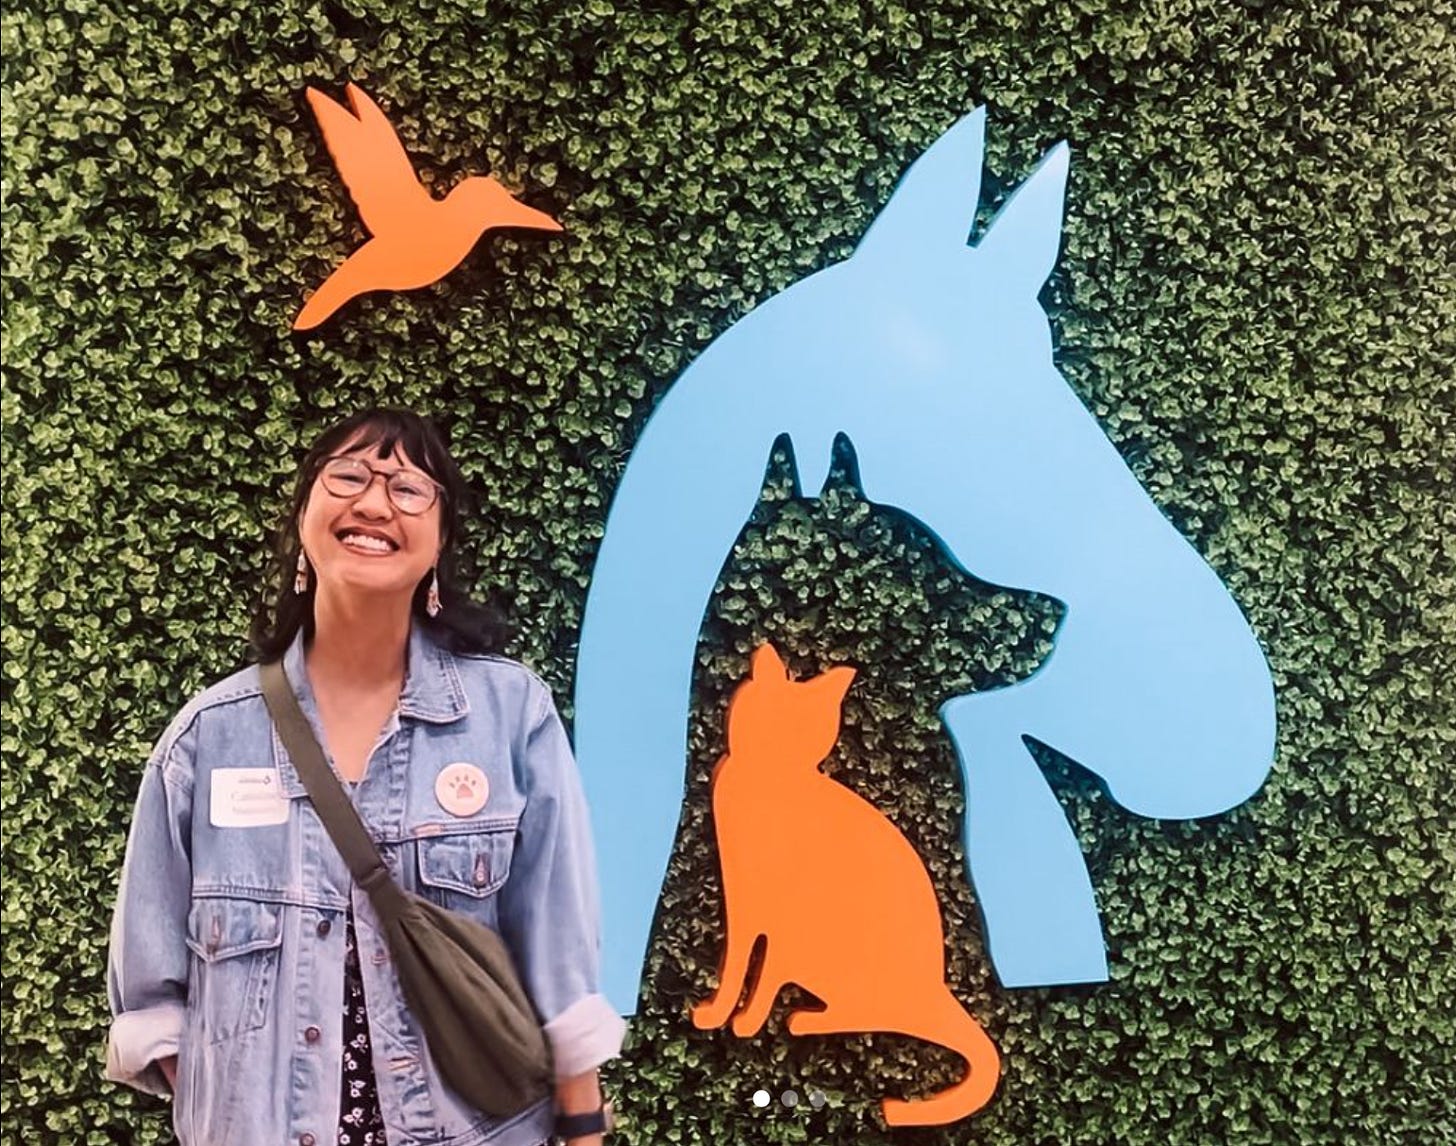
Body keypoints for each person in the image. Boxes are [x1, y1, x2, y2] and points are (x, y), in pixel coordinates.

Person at [105, 408, 625, 1146]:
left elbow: (562, 968)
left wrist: (584, 1128)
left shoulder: (511, 716)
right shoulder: (208, 738)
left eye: (410, 488)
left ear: (441, 541)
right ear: (305, 515)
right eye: (348, 475)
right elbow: (152, 999)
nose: (375, 503)